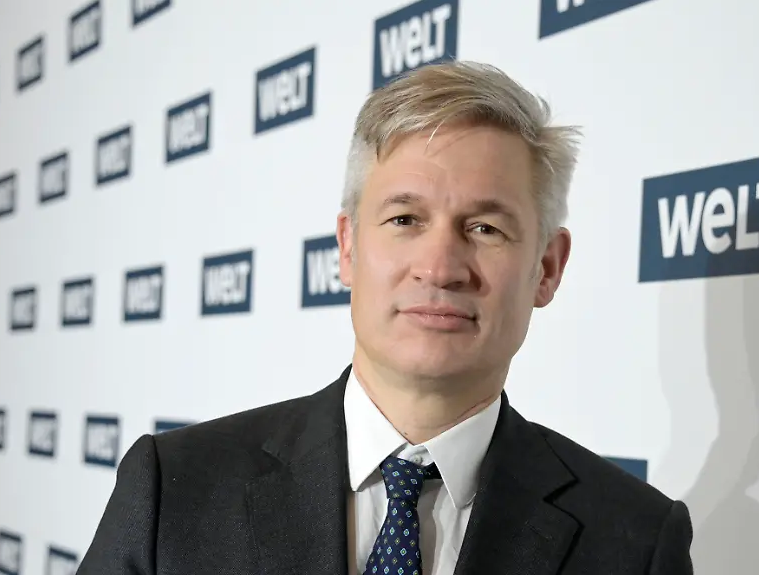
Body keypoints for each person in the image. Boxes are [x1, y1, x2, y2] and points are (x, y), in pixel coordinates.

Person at [76, 61, 694, 575]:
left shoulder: (636, 540)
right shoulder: (176, 488)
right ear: (347, 248)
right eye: (405, 219)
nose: (440, 267)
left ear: (547, 268)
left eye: (485, 228)